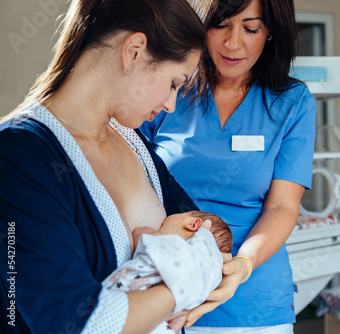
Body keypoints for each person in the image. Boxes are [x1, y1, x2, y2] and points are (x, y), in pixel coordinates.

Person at [0, 0, 208, 333]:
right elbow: (80, 323)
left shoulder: (133, 142)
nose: (170, 104)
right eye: (173, 83)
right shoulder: (17, 155)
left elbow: (207, 232)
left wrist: (213, 268)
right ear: (134, 52)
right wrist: (185, 284)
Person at [140, 0, 317, 332]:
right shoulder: (170, 89)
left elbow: (281, 206)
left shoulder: (292, 102)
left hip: (254, 300)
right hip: (167, 289)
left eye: (251, 28)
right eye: (220, 25)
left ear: (270, 33)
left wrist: (242, 266)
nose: (233, 43)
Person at [104, 211, 233, 333]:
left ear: (193, 224)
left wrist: (143, 232)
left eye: (182, 213)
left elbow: (142, 241)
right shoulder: (202, 283)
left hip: (122, 307)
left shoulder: (174, 239)